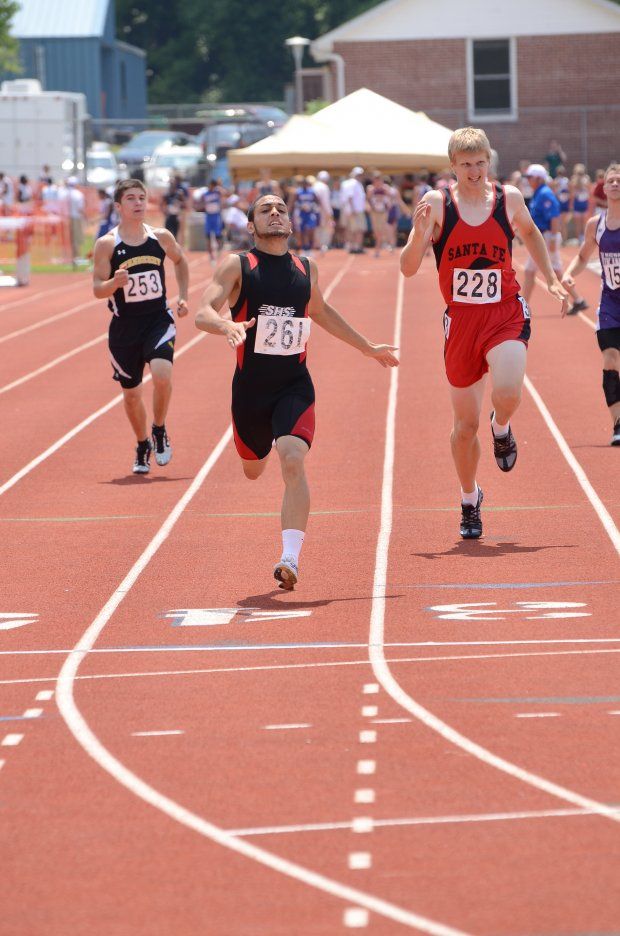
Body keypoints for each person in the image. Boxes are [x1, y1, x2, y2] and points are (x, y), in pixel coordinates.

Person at [194, 193, 398, 589]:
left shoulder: (306, 268)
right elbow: (204, 311)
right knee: (253, 469)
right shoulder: (237, 265)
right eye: (265, 210)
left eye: (281, 209)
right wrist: (226, 326)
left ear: (290, 222)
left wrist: (367, 347)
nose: (275, 214)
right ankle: (257, 449)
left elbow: (320, 312)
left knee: (292, 459)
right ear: (251, 225)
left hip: (294, 384)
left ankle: (290, 557)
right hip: (250, 392)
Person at [400, 127, 568, 539]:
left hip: (503, 312)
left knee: (508, 392)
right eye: (466, 165)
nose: (474, 172)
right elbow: (406, 267)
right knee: (463, 427)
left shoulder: (508, 198)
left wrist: (551, 278)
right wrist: (420, 235)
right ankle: (469, 498)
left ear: (488, 162)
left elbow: (530, 234)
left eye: (480, 163)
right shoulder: (437, 204)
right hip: (460, 322)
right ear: (452, 166)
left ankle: (502, 427)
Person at [92, 179, 189, 474]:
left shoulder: (160, 237)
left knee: (162, 373)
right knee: (132, 395)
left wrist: (183, 296)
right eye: (131, 199)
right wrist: (114, 283)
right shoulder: (107, 244)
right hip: (124, 328)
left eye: (142, 198)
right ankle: (142, 442)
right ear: (119, 207)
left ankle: (159, 429)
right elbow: (97, 288)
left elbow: (180, 261)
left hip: (158, 319)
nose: (138, 203)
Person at [562, 163, 620, 446]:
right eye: (611, 180)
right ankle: (618, 424)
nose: (615, 184)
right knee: (610, 358)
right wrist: (568, 274)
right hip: (610, 304)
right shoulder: (595, 225)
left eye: (619, 180)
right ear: (603, 186)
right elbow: (583, 256)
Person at [521, 164, 588, 316]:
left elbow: (554, 216)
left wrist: (552, 237)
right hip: (542, 238)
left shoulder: (544, 193)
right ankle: (577, 300)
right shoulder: (539, 192)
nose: (528, 181)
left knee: (537, 271)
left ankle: (524, 307)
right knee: (544, 271)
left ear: (538, 178)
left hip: (545, 238)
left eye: (530, 177)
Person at [340, 167, 367, 254]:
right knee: (358, 229)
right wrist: (353, 209)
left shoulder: (346, 183)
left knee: (351, 229)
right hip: (356, 210)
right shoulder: (354, 183)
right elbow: (350, 197)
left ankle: (352, 246)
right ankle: (357, 246)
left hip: (350, 210)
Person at [203, 178, 227, 260]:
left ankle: (219, 252)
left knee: (217, 236)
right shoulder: (205, 193)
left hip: (216, 216)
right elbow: (202, 202)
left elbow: (225, 193)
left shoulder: (217, 192)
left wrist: (219, 186)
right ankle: (211, 255)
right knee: (208, 236)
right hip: (208, 217)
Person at [570, 163, 592, 243]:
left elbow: (590, 190)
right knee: (578, 222)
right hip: (577, 203)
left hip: (585, 202)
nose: (580, 174)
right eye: (578, 172)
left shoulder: (586, 178)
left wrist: (583, 184)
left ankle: (584, 238)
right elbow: (572, 193)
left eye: (581, 172)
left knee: (585, 222)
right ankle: (578, 239)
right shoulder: (573, 179)